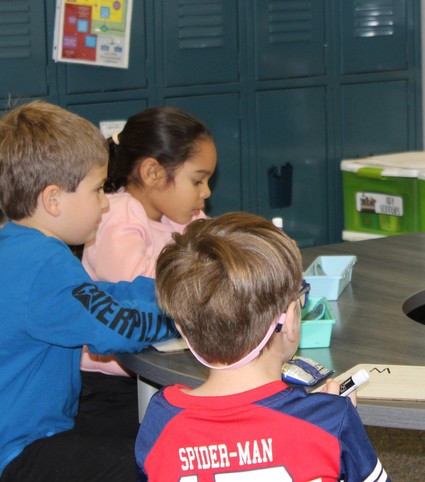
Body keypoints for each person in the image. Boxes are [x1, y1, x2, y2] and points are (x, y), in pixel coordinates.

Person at [135, 212, 389, 482]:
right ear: (290, 319)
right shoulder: (329, 419)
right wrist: (337, 421)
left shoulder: (161, 418)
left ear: (182, 329)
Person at [0, 100, 178, 481]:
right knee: (157, 464)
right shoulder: (43, 263)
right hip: (21, 449)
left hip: (27, 434)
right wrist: (184, 314)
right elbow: (120, 327)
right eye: (97, 190)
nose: (104, 204)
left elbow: (102, 295)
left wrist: (167, 289)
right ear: (52, 199)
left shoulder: (17, 246)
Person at [77, 106, 216, 436]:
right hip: (110, 384)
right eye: (198, 180)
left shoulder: (181, 216)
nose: (207, 192)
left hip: (159, 369)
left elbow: (219, 255)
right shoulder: (117, 217)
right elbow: (142, 297)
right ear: (153, 173)